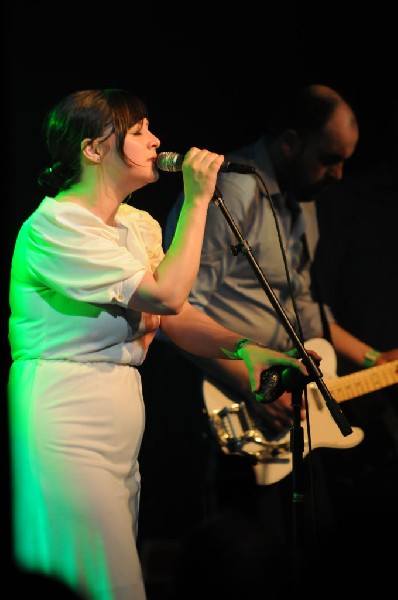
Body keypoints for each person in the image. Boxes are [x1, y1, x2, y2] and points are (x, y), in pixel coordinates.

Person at [7, 88, 318, 600]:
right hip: (65, 409)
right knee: (103, 581)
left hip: (119, 412)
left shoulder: (135, 224)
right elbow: (169, 296)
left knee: (114, 573)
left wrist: (244, 347)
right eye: (138, 132)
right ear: (92, 149)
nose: (156, 141)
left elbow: (177, 318)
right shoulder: (57, 226)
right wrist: (199, 201)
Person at [160, 83, 398, 569]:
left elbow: (307, 309)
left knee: (308, 552)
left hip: (292, 405)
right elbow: (176, 310)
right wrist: (251, 387)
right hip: (238, 405)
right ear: (290, 141)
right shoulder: (233, 189)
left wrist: (374, 360)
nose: (339, 173)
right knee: (245, 566)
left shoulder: (301, 194)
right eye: (329, 158)